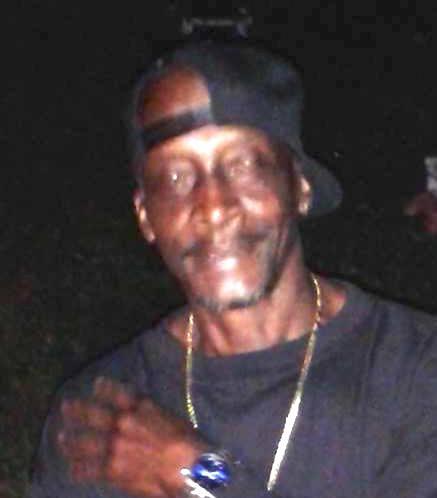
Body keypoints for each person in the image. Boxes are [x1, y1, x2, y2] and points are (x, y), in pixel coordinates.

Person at [29, 41, 437, 498]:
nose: (213, 207)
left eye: (242, 165)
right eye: (177, 177)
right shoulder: (100, 420)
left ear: (299, 187)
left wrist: (195, 473)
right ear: (145, 216)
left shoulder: (416, 372)